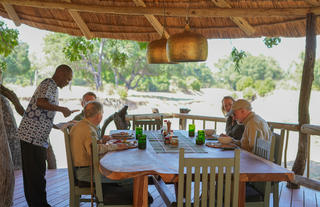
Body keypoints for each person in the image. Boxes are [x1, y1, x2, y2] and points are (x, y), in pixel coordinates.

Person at [16, 64, 75, 207]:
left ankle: (40, 203)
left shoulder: (53, 88)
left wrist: (58, 125)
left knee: (38, 173)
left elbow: (42, 111)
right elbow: (41, 102)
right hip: (30, 136)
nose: (67, 83)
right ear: (60, 73)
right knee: (34, 174)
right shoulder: (49, 83)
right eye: (67, 79)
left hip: (38, 138)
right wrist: (62, 109)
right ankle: (38, 204)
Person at [70, 101, 129, 183]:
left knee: (123, 170)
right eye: (102, 113)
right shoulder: (88, 129)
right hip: (87, 173)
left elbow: (89, 146)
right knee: (128, 177)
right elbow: (94, 150)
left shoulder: (81, 125)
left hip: (83, 169)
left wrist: (101, 141)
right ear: (99, 115)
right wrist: (117, 146)